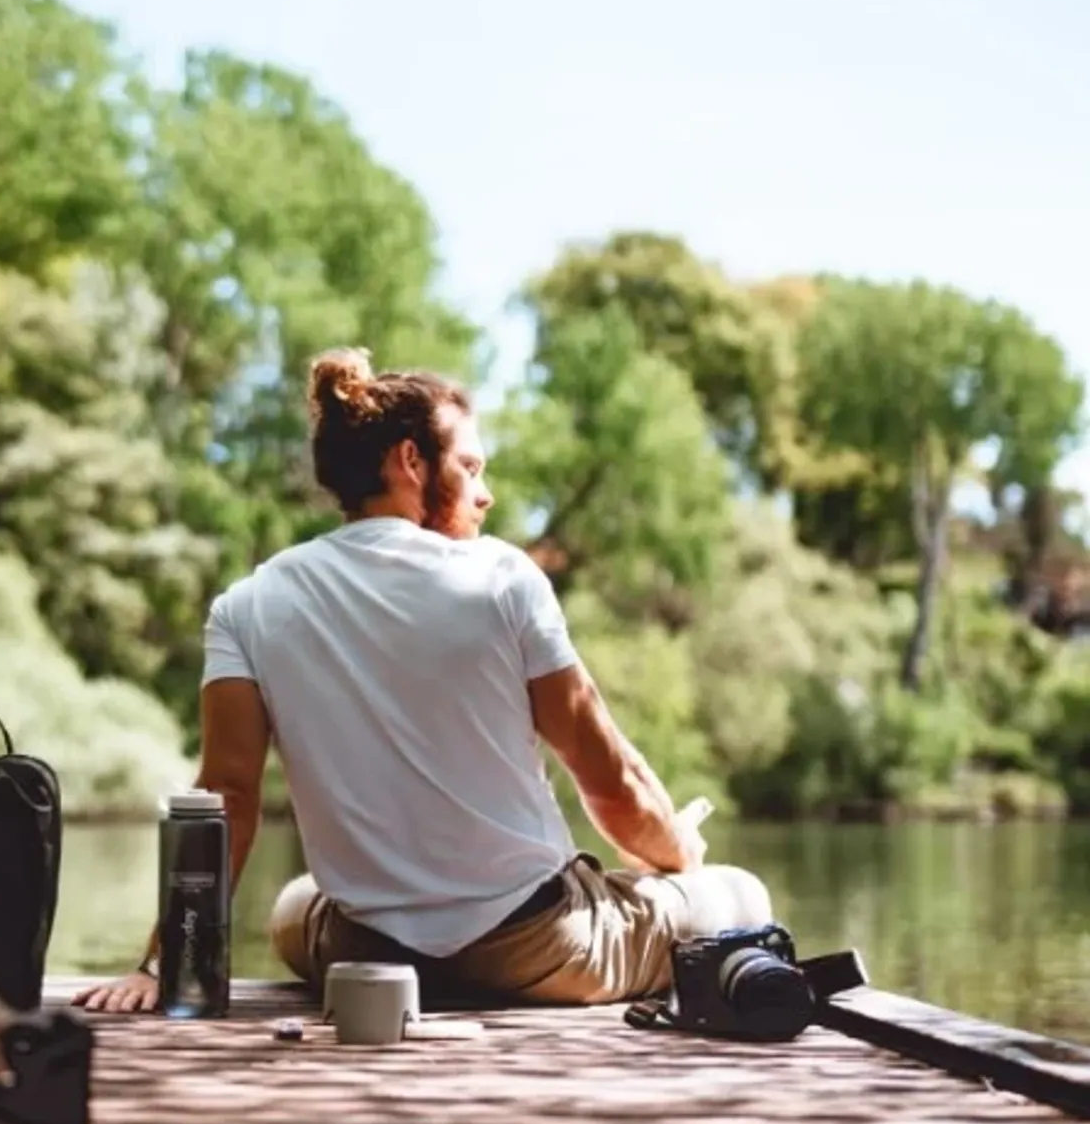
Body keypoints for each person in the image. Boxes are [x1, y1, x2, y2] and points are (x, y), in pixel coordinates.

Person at [78, 346, 772, 1016]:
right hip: (542, 950)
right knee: (738, 893)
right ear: (411, 461)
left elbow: (225, 797)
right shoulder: (504, 578)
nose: (485, 493)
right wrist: (677, 854)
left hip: (368, 952)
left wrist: (159, 962)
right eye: (469, 467)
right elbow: (610, 782)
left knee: (295, 907)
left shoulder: (246, 605)